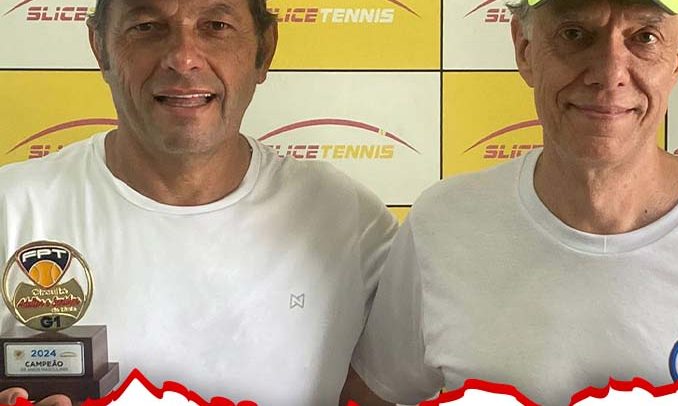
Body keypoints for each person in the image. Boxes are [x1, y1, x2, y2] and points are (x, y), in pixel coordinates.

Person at [351, 0, 678, 405]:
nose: (609, 71)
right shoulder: (443, 225)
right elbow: (375, 394)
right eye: (574, 34)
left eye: (644, 38)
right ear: (524, 48)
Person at [0, 0, 395, 405]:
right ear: (100, 48)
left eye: (216, 26)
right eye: (147, 26)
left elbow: (380, 392)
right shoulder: (11, 208)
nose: (183, 58)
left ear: (265, 50)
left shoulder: (348, 220)